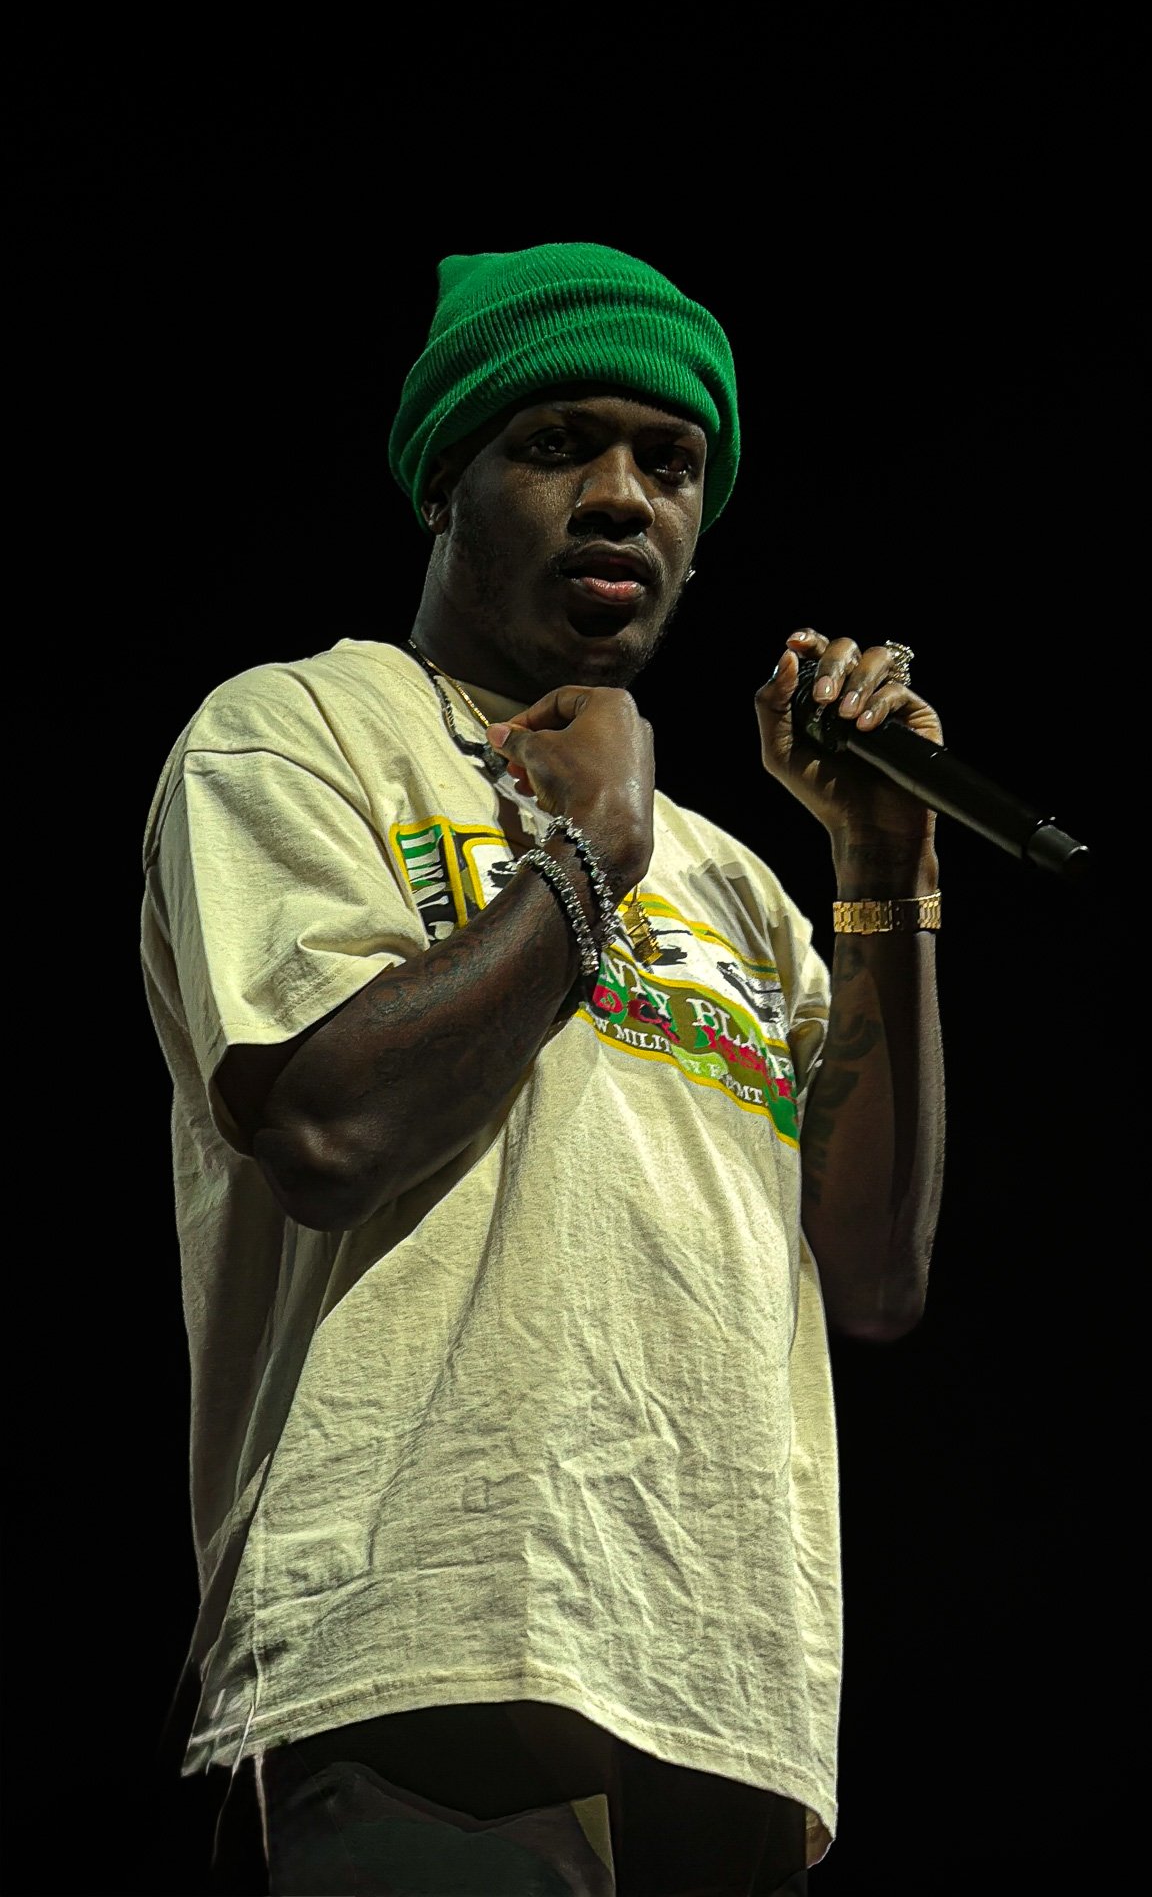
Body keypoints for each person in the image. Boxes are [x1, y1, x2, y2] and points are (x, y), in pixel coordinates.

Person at [141, 241, 946, 1897]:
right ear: (448, 480)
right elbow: (328, 1126)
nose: (623, 497)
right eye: (559, 443)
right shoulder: (303, 728)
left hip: (722, 1696)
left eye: (671, 462)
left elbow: (871, 1278)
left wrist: (883, 873)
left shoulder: (740, 885)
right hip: (418, 1657)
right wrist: (592, 854)